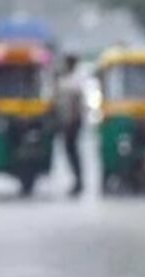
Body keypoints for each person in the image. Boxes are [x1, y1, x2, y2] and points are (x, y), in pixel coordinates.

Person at [57, 54, 85, 197]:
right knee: (69, 152)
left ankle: (79, 181)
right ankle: (77, 180)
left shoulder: (75, 81)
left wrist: (71, 122)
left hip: (72, 123)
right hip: (66, 121)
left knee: (73, 152)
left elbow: (76, 106)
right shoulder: (65, 79)